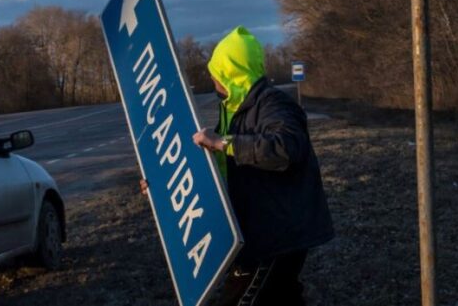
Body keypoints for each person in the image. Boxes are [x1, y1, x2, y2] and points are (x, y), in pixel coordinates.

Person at [141, 26, 334, 305]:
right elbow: (219, 168)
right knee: (283, 297)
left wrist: (223, 142)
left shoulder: (274, 105)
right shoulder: (235, 109)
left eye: (217, 70)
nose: (211, 77)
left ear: (233, 72)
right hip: (256, 232)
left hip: (275, 237)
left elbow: (284, 149)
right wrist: (164, 186)